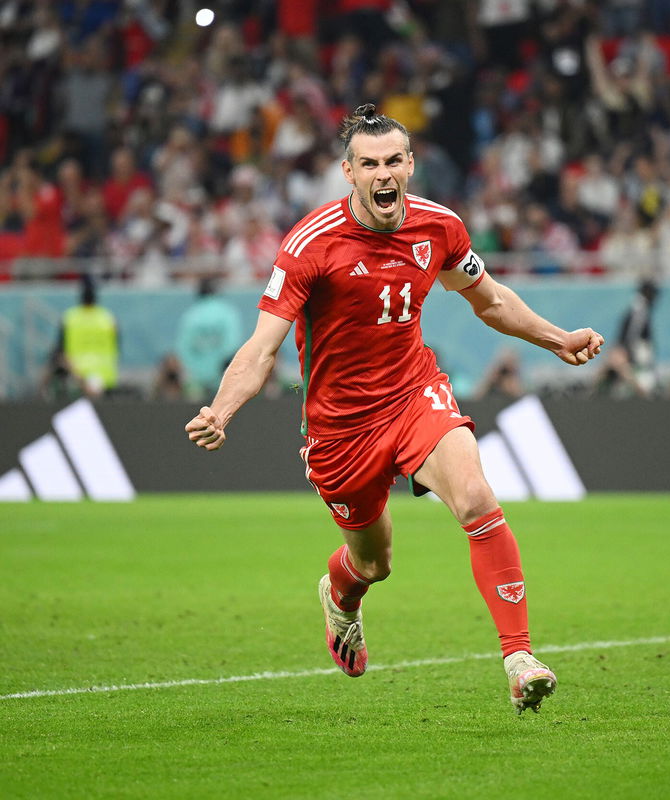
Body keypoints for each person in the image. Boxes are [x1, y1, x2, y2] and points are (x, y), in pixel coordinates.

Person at [185, 104, 604, 715]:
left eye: (393, 161)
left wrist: (557, 337)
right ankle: (342, 592)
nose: (384, 174)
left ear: (410, 165)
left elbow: (489, 301)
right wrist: (222, 410)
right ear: (348, 172)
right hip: (340, 428)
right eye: (369, 164)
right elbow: (261, 348)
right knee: (374, 562)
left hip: (414, 394)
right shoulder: (311, 244)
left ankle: (519, 658)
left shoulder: (439, 227)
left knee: (477, 498)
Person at [175, 277, 244, 401]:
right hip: (222, 379)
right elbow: (232, 345)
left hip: (195, 380)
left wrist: (192, 372)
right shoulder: (227, 312)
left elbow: (183, 348)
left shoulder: (190, 315)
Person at [53, 275, 119, 399]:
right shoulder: (108, 318)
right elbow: (117, 346)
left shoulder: (69, 318)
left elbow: (61, 351)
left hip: (76, 378)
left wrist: (81, 379)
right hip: (105, 376)